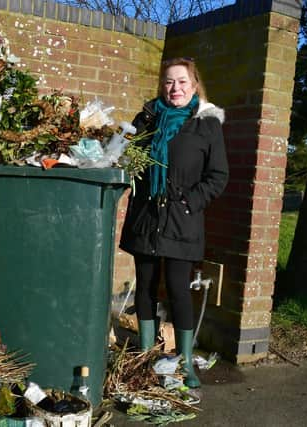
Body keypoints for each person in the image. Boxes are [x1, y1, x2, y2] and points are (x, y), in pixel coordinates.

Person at [119, 57, 228, 388]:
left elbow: (218, 175)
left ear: (194, 85)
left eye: (182, 81)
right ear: (161, 86)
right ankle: (146, 355)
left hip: (182, 220)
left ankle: (184, 361)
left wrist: (189, 202)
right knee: (145, 286)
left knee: (179, 290)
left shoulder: (206, 124)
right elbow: (125, 158)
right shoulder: (148, 118)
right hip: (147, 216)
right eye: (168, 82)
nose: (175, 88)